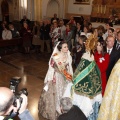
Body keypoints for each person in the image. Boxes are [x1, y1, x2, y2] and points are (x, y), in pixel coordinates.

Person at [63, 34, 102, 120]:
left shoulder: (85, 57)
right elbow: (98, 73)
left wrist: (73, 80)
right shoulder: (92, 57)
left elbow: (79, 71)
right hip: (94, 88)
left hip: (85, 90)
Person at [38, 41, 73, 120]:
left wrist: (70, 76)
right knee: (56, 94)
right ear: (60, 48)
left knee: (65, 93)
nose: (67, 48)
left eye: (67, 46)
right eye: (65, 47)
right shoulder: (55, 56)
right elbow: (51, 68)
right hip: (56, 78)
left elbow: (69, 68)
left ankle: (65, 108)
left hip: (65, 78)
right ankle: (57, 110)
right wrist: (50, 78)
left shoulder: (68, 55)